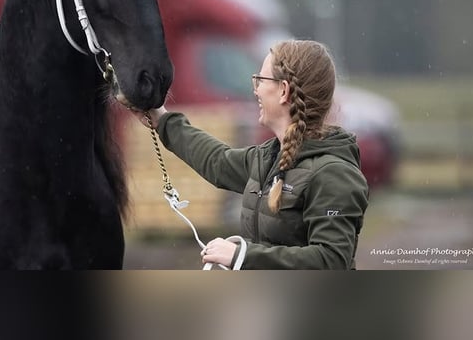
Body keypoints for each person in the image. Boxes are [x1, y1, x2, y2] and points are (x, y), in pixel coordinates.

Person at [133, 39, 369, 269]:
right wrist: (161, 118)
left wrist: (243, 256)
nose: (255, 89)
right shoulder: (268, 158)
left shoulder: (335, 174)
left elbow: (332, 260)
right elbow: (217, 161)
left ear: (284, 91)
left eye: (260, 80)